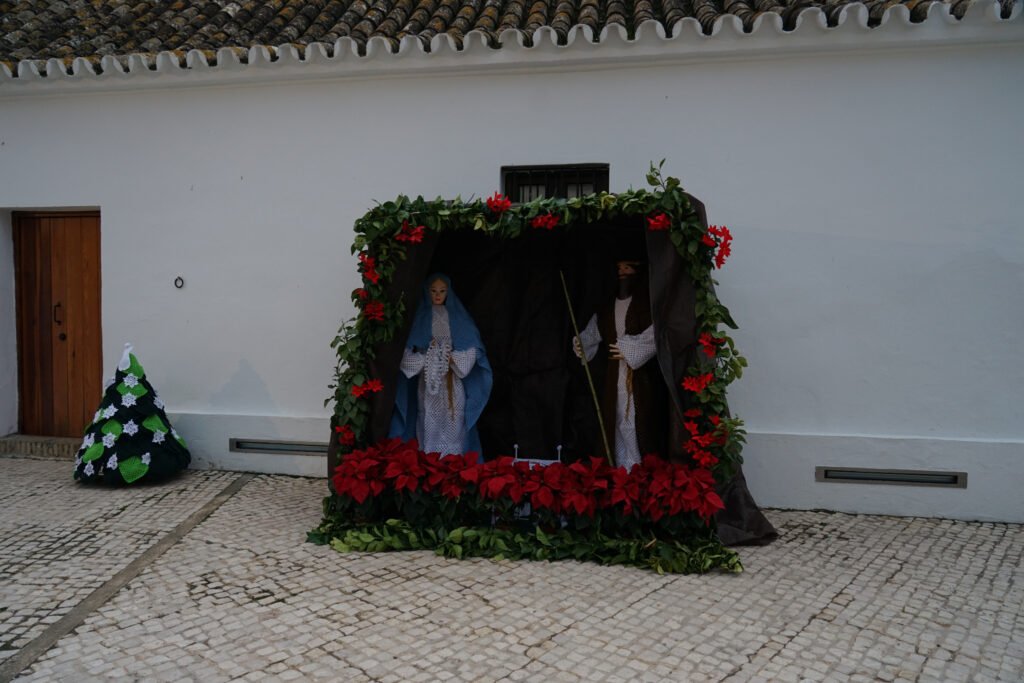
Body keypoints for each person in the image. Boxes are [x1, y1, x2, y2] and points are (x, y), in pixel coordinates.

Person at [573, 259, 666, 470]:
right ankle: (619, 465)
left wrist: (629, 349)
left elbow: (655, 335)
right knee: (614, 416)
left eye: (627, 267)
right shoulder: (607, 307)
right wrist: (582, 343)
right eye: (619, 268)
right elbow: (594, 331)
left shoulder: (645, 306)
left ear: (637, 271)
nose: (622, 272)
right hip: (614, 374)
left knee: (636, 418)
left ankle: (637, 465)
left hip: (638, 376)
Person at [390, 274, 492, 457]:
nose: (438, 295)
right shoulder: (420, 318)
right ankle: (431, 459)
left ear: (448, 292)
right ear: (426, 291)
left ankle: (454, 459)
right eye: (433, 291)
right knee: (428, 418)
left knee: (454, 419)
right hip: (428, 380)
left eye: (442, 291)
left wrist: (449, 358)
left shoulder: (458, 317)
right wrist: (427, 358)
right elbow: (405, 353)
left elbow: (472, 349)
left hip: (452, 381)